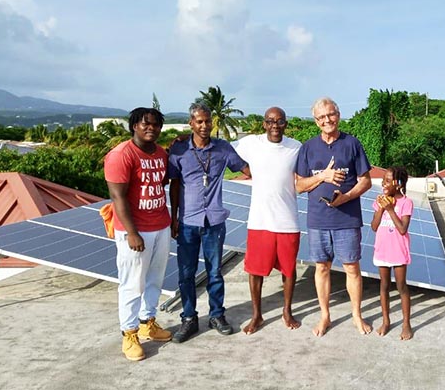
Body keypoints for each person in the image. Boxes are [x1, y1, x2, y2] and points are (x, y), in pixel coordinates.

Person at [168, 102, 251, 343]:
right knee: (186, 273)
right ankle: (189, 319)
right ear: (191, 123)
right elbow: (174, 185)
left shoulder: (223, 149)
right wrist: (174, 218)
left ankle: (216, 315)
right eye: (199, 122)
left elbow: (247, 169)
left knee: (215, 272)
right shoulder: (179, 151)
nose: (204, 126)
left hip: (214, 220)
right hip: (188, 221)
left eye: (208, 121)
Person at [295, 97, 373, 337]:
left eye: (331, 115)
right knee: (322, 267)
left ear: (338, 115)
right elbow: (299, 185)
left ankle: (356, 316)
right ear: (316, 121)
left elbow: (366, 181)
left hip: (347, 220)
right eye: (321, 117)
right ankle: (325, 316)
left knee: (351, 268)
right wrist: (323, 177)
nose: (327, 120)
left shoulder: (352, 144)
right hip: (318, 221)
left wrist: (346, 197)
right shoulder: (308, 148)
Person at [104, 107, 173, 361]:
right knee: (133, 284)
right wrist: (132, 233)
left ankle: (148, 322)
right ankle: (129, 333)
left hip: (160, 224)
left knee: (155, 278)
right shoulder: (120, 155)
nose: (150, 128)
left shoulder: (161, 154)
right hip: (135, 230)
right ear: (134, 125)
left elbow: (160, 183)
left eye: (155, 124)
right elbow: (117, 196)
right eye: (145, 124)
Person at [233, 106, 302, 334]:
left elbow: (306, 175)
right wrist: (183, 139)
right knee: (255, 271)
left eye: (280, 121)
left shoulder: (296, 148)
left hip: (287, 221)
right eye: (270, 121)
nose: (275, 125)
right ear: (264, 123)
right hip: (259, 221)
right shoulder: (251, 143)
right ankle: (257, 315)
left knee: (289, 271)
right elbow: (223, 150)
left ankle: (287, 311)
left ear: (286, 124)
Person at [370, 167, 414, 340]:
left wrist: (390, 209)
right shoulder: (379, 201)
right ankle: (386, 321)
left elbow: (403, 229)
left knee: (401, 287)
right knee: (383, 286)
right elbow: (374, 226)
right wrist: (381, 208)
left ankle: (406, 324)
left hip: (398, 252)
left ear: (399, 184)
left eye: (388, 181)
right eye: (383, 180)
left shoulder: (406, 202)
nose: (383, 183)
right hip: (382, 250)